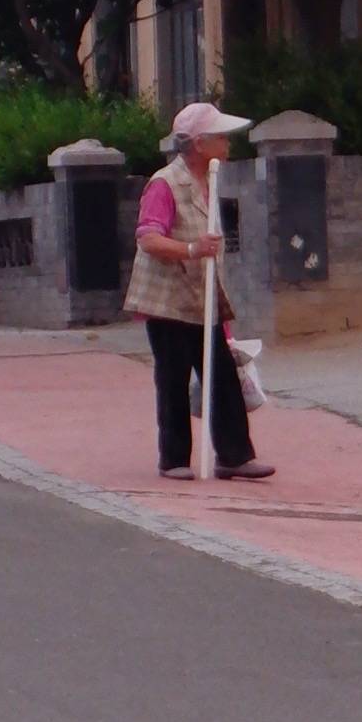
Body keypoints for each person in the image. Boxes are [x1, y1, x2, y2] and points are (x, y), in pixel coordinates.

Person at [127, 102, 273, 479]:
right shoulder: (164, 183)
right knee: (173, 378)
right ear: (199, 143)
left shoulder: (209, 180)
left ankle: (234, 456)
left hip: (200, 296)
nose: (227, 144)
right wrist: (192, 249)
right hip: (168, 300)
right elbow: (149, 238)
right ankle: (173, 459)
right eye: (221, 137)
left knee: (222, 375)